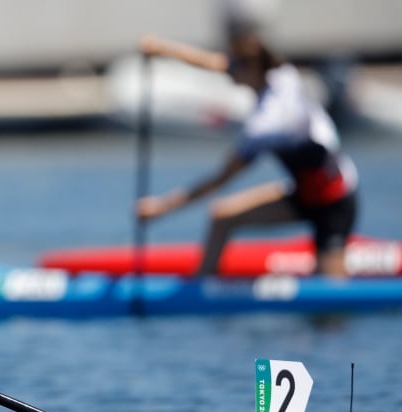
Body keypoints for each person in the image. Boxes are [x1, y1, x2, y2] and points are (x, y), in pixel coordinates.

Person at [136, 30, 358, 277]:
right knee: (222, 216)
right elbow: (211, 62)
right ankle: (203, 285)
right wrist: (162, 48)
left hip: (335, 202)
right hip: (302, 196)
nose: (228, 69)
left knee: (330, 296)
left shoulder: (266, 125)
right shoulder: (281, 73)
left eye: (235, 65)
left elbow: (220, 179)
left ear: (252, 68)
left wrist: (161, 208)